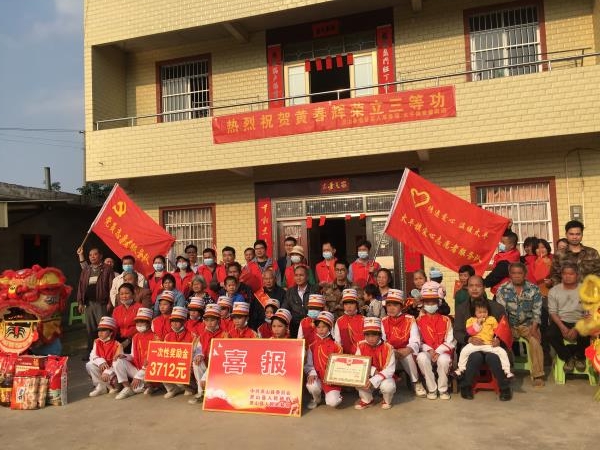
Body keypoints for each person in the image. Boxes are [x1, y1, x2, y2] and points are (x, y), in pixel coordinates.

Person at [453, 275, 512, 401]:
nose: (474, 289)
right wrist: (469, 339)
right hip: (472, 346)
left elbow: (505, 328)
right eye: (471, 286)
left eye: (478, 286)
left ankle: (504, 387)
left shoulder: (497, 307)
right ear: (467, 288)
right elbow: (457, 332)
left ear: (484, 287)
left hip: (491, 344)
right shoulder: (461, 308)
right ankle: (466, 386)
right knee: (475, 356)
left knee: (493, 357)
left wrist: (499, 340)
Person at [496, 262, 545, 386]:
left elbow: (537, 312)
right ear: (510, 274)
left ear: (525, 274)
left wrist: (534, 328)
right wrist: (505, 331)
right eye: (514, 273)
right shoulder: (502, 289)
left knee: (535, 341)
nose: (517, 276)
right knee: (501, 342)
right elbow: (501, 313)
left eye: (519, 273)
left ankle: (538, 375)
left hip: (528, 324)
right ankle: (506, 372)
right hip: (509, 325)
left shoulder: (534, 289)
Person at [381, 288, 426, 397]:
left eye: (395, 305)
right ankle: (384, 384)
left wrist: (407, 349)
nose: (391, 308)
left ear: (401, 307)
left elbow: (415, 339)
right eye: (389, 305)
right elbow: (382, 340)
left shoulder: (410, 319)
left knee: (408, 356)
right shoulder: (383, 321)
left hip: (406, 351)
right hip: (390, 352)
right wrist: (392, 351)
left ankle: (416, 382)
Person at [454, 298, 513, 379]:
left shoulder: (491, 319)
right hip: (475, 344)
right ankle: (461, 369)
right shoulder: (471, 320)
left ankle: (507, 371)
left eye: (485, 312)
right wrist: (478, 324)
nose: (482, 314)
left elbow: (497, 330)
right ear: (474, 313)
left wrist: (497, 338)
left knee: (502, 352)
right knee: (464, 351)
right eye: (480, 312)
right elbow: (470, 332)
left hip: (489, 344)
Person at [548, 263, 589, 372]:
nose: (567, 276)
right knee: (551, 334)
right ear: (561, 275)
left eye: (571, 274)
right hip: (561, 321)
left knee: (586, 331)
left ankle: (580, 357)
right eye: (565, 274)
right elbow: (553, 312)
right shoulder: (554, 291)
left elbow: (588, 313)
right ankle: (568, 357)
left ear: (577, 275)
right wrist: (562, 327)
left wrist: (576, 328)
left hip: (581, 320)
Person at [416, 281, 454, 400]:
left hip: (442, 352)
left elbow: (450, 341)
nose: (430, 304)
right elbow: (418, 341)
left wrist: (438, 351)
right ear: (423, 304)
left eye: (433, 302)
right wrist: (430, 350)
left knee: (444, 360)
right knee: (421, 357)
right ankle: (432, 389)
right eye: (427, 302)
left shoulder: (446, 320)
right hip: (427, 352)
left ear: (438, 303)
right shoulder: (418, 321)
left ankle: (443, 390)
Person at [77, 247, 115, 357]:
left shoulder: (107, 269)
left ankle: (105, 353)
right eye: (90, 255)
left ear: (100, 256)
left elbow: (112, 287)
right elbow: (81, 286)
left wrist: (110, 302)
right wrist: (80, 302)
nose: (92, 257)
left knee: (103, 328)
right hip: (88, 304)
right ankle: (91, 352)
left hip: (101, 303)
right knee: (90, 329)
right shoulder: (86, 270)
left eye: (95, 254)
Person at [190, 304, 229, 404]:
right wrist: (199, 355)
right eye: (207, 320)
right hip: (207, 364)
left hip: (219, 366)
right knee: (196, 362)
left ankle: (207, 389)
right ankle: (201, 393)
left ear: (218, 320)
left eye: (212, 320)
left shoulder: (225, 335)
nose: (209, 323)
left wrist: (204, 377)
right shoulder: (202, 335)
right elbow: (198, 350)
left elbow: (222, 358)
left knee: (214, 363)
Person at [354, 317, 396, 410]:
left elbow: (390, 370)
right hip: (368, 374)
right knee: (357, 378)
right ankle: (367, 400)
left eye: (374, 335)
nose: (370, 339)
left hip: (384, 377)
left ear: (380, 335)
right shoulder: (360, 345)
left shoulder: (388, 347)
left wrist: (374, 379)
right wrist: (373, 371)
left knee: (388, 386)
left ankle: (386, 400)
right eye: (367, 335)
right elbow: (358, 363)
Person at [113, 307, 154, 400]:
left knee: (140, 386)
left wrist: (140, 374)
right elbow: (132, 356)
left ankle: (149, 385)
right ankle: (127, 387)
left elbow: (154, 360)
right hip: (138, 369)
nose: (139, 324)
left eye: (142, 322)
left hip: (149, 370)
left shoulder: (155, 337)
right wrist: (124, 356)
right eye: (137, 322)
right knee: (117, 361)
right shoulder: (135, 337)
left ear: (149, 323)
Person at [304, 311, 343, 409]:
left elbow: (340, 366)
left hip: (332, 380)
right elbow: (309, 364)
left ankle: (335, 396)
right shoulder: (312, 346)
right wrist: (312, 373)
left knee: (333, 403)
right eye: (318, 327)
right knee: (312, 386)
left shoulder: (337, 346)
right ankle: (316, 399)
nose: (321, 329)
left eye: (324, 327)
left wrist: (332, 378)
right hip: (317, 376)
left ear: (329, 328)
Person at [162, 306, 198, 398]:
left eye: (177, 321)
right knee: (159, 366)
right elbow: (164, 354)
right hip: (172, 364)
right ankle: (172, 389)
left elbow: (194, 354)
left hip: (186, 366)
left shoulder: (192, 336)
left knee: (189, 368)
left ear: (184, 322)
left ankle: (190, 388)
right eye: (172, 321)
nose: (174, 324)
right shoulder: (168, 336)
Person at [551, 220, 600, 285]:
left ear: (582, 234)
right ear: (566, 234)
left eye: (578, 234)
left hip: (588, 290)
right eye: (571, 234)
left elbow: (598, 273)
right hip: (566, 290)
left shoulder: (592, 253)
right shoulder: (559, 254)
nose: (574, 237)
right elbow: (555, 276)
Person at [86, 316, 122, 397]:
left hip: (113, 370)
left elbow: (118, 363)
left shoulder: (117, 345)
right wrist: (101, 361)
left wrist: (107, 371)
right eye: (99, 330)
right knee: (89, 365)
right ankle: (101, 387)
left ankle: (113, 387)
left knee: (114, 383)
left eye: (104, 330)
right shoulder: (97, 342)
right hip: (103, 369)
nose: (100, 333)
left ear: (111, 332)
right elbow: (92, 355)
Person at [282, 265, 319, 337]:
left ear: (307, 277)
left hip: (311, 326)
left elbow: (317, 311)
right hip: (294, 327)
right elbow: (285, 309)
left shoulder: (315, 290)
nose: (298, 278)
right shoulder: (290, 292)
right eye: (296, 275)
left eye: (301, 275)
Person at [484, 229, 521, 295]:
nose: (500, 244)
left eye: (503, 242)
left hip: (505, 293)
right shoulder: (513, 254)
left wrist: (481, 283)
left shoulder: (506, 262)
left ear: (512, 246)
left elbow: (494, 277)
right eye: (500, 241)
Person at [111, 283, 141, 353]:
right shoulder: (116, 310)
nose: (124, 296)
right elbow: (114, 327)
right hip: (120, 339)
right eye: (121, 294)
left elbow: (141, 328)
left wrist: (128, 340)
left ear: (133, 294)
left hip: (134, 340)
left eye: (127, 293)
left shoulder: (140, 308)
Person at [333, 288, 364, 354]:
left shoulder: (364, 320)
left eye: (352, 303)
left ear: (357, 304)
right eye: (346, 304)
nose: (349, 306)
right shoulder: (339, 321)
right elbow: (338, 343)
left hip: (362, 356)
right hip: (345, 356)